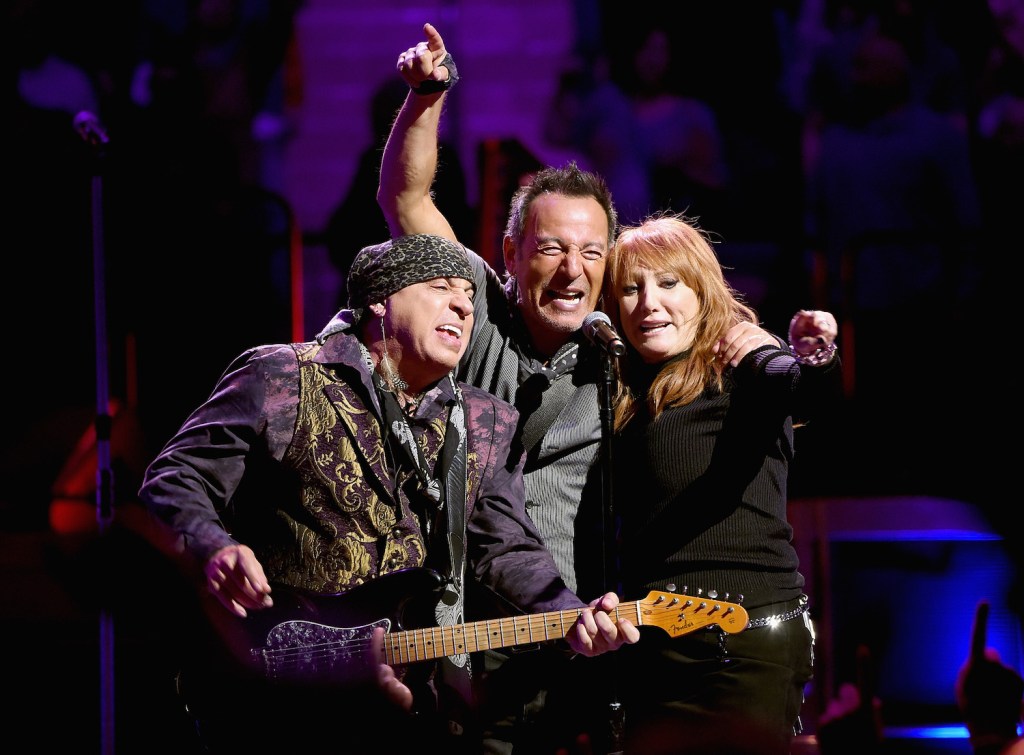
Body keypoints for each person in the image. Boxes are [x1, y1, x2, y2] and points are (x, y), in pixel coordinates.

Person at [136, 233, 638, 754]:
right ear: (381, 300)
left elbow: (508, 547)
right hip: (274, 683)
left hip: (403, 702)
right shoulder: (283, 376)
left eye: (469, 295)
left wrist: (570, 613)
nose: (464, 306)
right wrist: (213, 546)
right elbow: (176, 476)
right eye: (441, 287)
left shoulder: (485, 421)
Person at [345, 20, 627, 754]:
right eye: (552, 248)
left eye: (591, 252)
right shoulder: (468, 307)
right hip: (450, 642)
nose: (572, 269)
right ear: (509, 252)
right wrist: (427, 96)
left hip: (562, 639)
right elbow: (405, 197)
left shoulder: (614, 356)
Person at [603, 213, 843, 754]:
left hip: (745, 640)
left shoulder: (741, 362)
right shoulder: (621, 392)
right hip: (654, 644)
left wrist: (812, 353)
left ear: (702, 291)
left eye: (669, 283)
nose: (648, 303)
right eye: (631, 290)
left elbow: (806, 391)